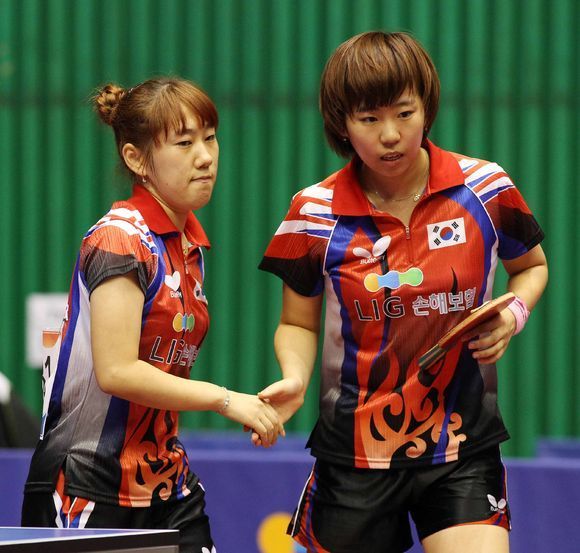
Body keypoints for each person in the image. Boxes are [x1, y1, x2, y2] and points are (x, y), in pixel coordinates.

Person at [257, 32, 548, 553]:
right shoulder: (313, 212)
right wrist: (295, 378)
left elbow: (531, 267)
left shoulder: (485, 188)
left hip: (461, 443)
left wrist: (514, 313)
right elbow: (297, 321)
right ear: (342, 123)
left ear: (427, 108)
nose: (390, 135)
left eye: (404, 113)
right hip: (354, 453)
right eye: (369, 119)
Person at [21, 77, 283, 552]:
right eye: (184, 143)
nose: (205, 156)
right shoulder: (119, 239)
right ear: (136, 159)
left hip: (165, 484)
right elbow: (117, 371)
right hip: (86, 486)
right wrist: (226, 400)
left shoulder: (188, 248)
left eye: (210, 138)